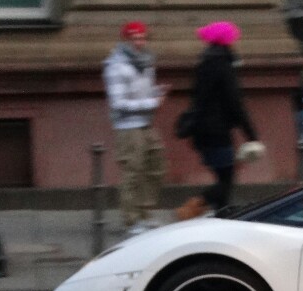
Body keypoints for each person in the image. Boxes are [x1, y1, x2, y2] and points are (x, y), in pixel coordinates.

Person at [175, 21, 265, 220]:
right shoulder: (222, 65)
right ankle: (192, 207)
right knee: (226, 179)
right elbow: (235, 103)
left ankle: (221, 218)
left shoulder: (205, 62)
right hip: (216, 131)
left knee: (223, 176)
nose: (236, 43)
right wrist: (251, 136)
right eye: (233, 39)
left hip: (203, 131)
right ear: (226, 41)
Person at [103, 21, 168, 237]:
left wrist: (156, 93)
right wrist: (151, 103)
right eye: (134, 38)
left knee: (156, 166)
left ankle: (146, 213)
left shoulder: (146, 62)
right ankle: (131, 220)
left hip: (146, 124)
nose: (139, 42)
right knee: (133, 172)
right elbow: (118, 104)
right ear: (125, 40)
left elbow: (145, 91)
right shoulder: (116, 66)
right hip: (128, 127)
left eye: (142, 37)